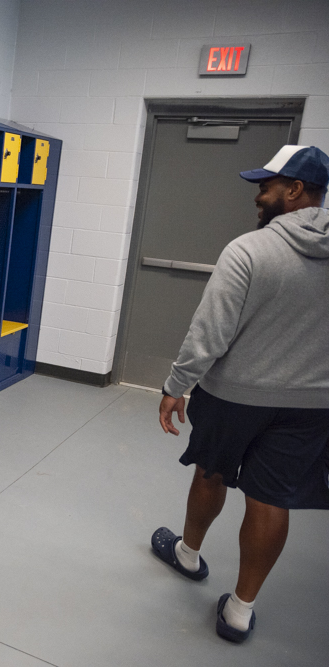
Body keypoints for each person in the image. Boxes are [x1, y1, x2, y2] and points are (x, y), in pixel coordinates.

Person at [152, 145, 329, 642]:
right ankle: (240, 611)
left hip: (235, 397)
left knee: (212, 471)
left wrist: (176, 385)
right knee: (273, 499)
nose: (258, 193)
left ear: (295, 190)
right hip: (312, 406)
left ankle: (187, 555)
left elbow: (209, 331)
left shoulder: (249, 250)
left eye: (267, 184)